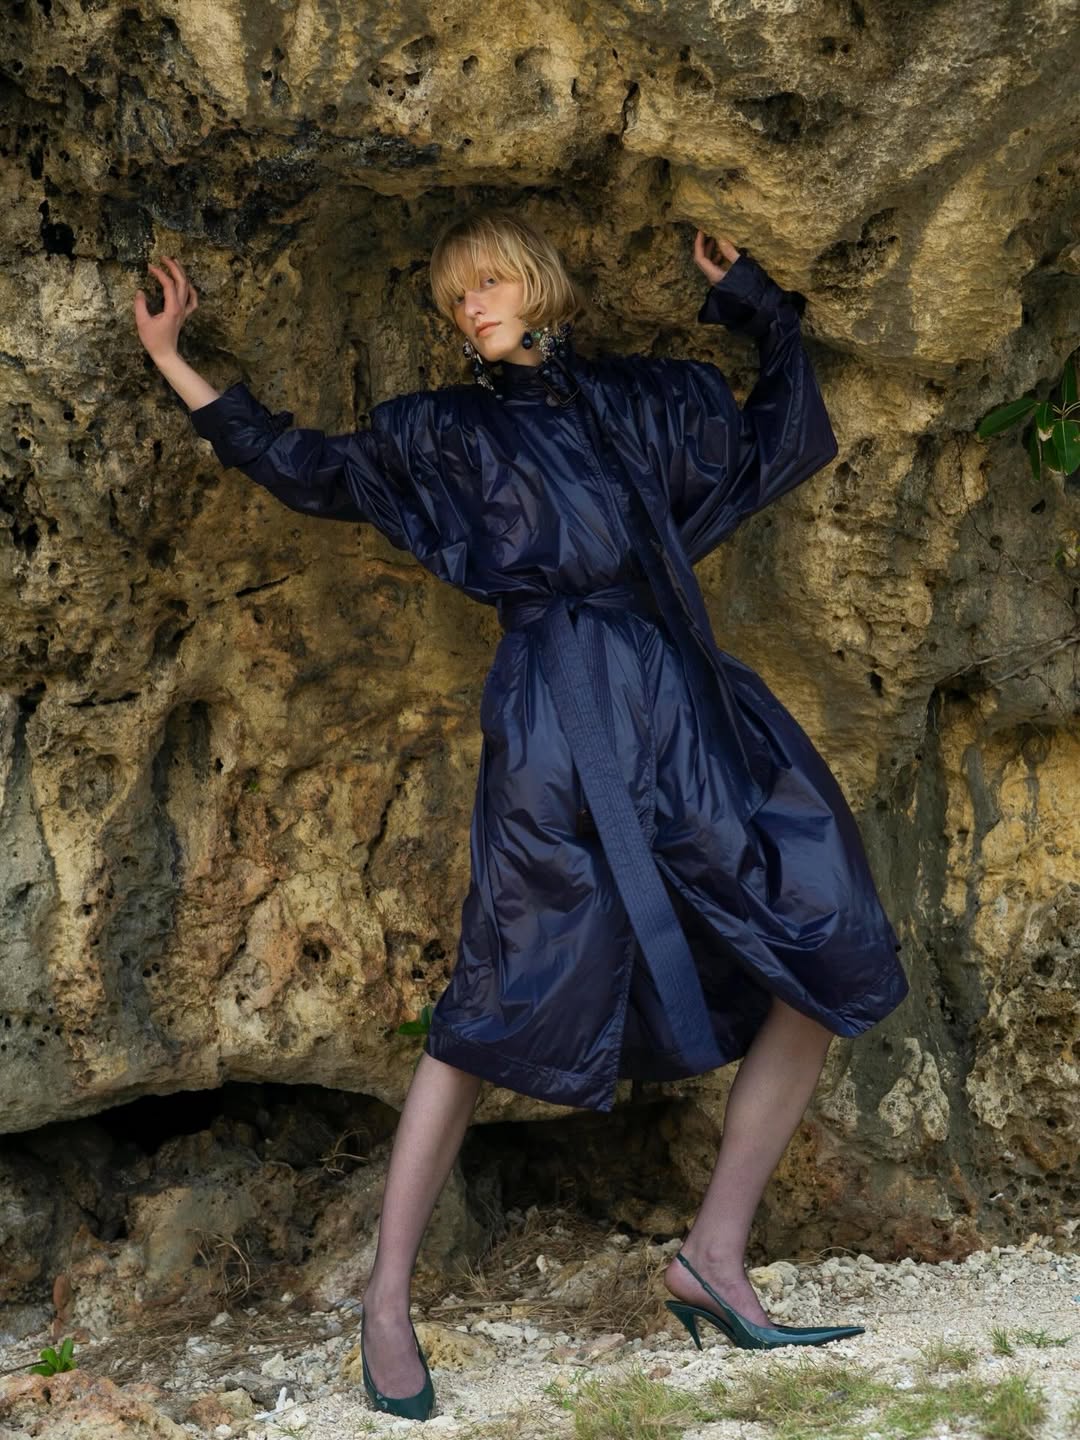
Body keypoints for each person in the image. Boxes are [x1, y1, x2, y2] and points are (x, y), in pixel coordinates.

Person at [135, 213, 909, 1420]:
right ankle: (385, 1302)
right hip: (558, 715)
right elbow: (305, 465)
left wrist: (761, 309)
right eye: (455, 297)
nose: (472, 307)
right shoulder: (446, 430)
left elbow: (774, 439)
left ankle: (715, 1255)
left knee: (826, 935)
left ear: (541, 282)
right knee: (503, 982)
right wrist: (177, 362)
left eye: (488, 281)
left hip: (682, 696)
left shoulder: (650, 398)